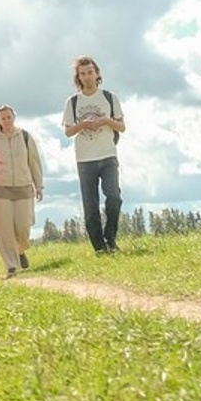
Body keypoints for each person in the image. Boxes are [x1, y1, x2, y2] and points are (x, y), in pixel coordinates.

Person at [62, 56, 126, 254]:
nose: (87, 77)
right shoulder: (72, 102)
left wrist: (106, 121)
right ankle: (99, 248)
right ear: (78, 77)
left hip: (108, 155)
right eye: (83, 74)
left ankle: (110, 239)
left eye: (90, 72)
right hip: (85, 159)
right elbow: (68, 132)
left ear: (97, 73)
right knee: (90, 207)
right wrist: (82, 124)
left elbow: (122, 127)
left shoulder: (109, 97)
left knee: (114, 197)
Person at [0, 105, 44, 278]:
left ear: (14, 117)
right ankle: (11, 266)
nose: (6, 121)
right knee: (5, 230)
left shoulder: (25, 136)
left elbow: (34, 161)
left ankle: (20, 250)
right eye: (3, 118)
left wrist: (39, 185)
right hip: (0, 189)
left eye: (8, 117)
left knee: (24, 226)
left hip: (23, 187)